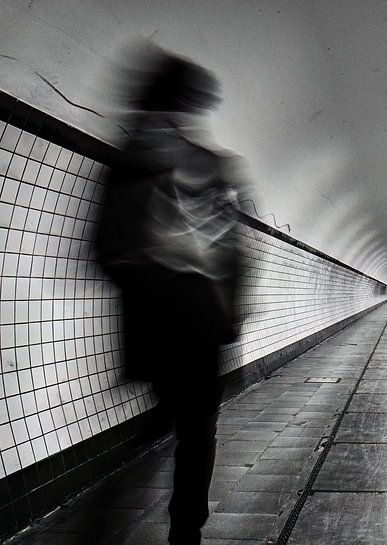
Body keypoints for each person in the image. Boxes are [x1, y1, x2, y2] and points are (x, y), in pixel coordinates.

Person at [96, 44, 249, 545]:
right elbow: (235, 254)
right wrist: (232, 319)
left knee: (168, 418)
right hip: (203, 323)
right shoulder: (217, 167)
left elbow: (103, 250)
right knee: (197, 428)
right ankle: (186, 531)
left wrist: (148, 285)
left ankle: (108, 514)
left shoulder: (129, 164)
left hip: (155, 324)